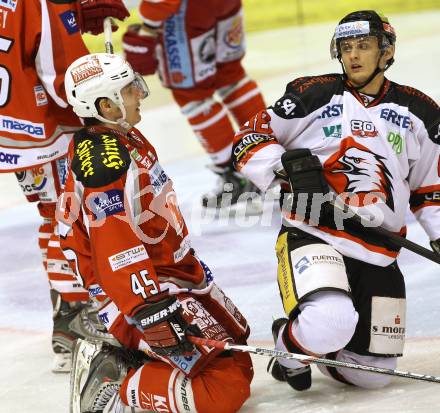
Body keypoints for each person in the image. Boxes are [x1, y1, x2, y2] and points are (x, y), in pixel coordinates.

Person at [231, 10, 440, 391]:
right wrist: (286, 166)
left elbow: (431, 187)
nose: (354, 55)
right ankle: (289, 345)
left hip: (379, 246)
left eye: (364, 46)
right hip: (314, 230)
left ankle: (312, 346)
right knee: (329, 321)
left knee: (371, 375)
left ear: (386, 52)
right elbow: (248, 139)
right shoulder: (312, 92)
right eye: (346, 48)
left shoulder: (420, 112)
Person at [60, 52, 252, 412]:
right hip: (139, 291)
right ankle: (114, 380)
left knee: (238, 357)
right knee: (221, 392)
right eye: (130, 89)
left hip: (173, 274)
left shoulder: (120, 135)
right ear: (106, 105)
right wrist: (148, 310)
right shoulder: (104, 163)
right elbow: (115, 245)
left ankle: (139, 359)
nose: (140, 94)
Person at [1, 0, 131, 372]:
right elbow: (62, 76)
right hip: (50, 128)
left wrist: (70, 15)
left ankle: (67, 314)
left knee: (51, 214)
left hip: (14, 130)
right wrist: (104, 104)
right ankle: (78, 320)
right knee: (73, 218)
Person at [121, 0, 266, 208]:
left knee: (191, 94)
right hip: (225, 6)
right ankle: (265, 154)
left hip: (186, 13)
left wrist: (149, 25)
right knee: (232, 76)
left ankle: (237, 178)